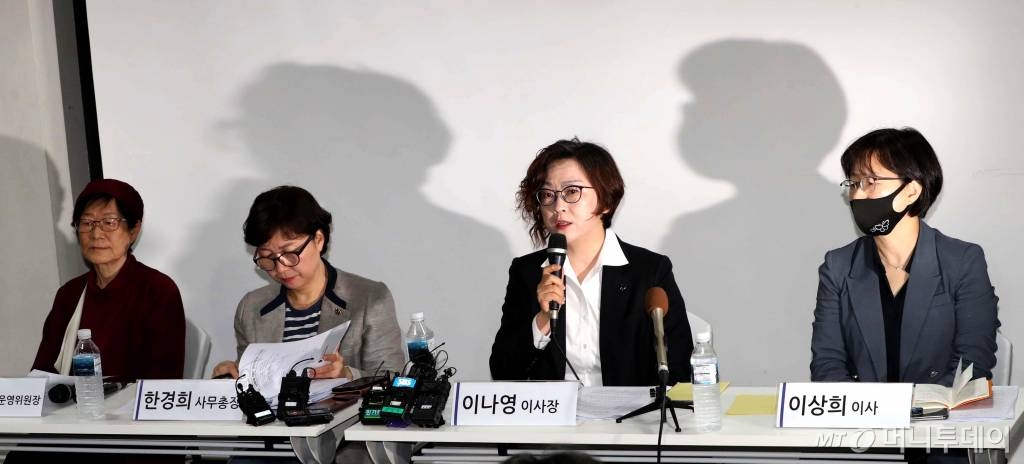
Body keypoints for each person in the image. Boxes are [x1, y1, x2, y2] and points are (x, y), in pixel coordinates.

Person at [211, 185, 404, 464]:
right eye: (267, 258)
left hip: (337, 446)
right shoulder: (251, 308)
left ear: (319, 239)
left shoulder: (369, 298)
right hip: (267, 444)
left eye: (290, 253)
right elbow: (254, 383)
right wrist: (231, 379)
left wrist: (347, 374)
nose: (281, 268)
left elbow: (394, 381)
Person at [490, 138, 693, 386]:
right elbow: (503, 371)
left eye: (572, 192)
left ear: (606, 200)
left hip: (631, 410)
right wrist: (542, 321)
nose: (558, 206)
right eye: (548, 194)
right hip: (555, 410)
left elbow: (680, 368)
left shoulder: (650, 271)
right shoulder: (528, 273)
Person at [811, 127, 1000, 386]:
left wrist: (914, 405)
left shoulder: (962, 262)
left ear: (912, 190)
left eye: (870, 182)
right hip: (864, 410)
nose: (857, 195)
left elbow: (972, 363)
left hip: (938, 408)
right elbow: (827, 363)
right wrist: (869, 406)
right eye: (853, 183)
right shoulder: (838, 266)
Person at [32, 178, 186, 380]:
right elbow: (42, 373)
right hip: (75, 400)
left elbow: (163, 380)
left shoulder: (158, 291)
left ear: (133, 230)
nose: (96, 233)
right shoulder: (69, 295)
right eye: (87, 223)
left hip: (133, 400)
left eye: (109, 223)